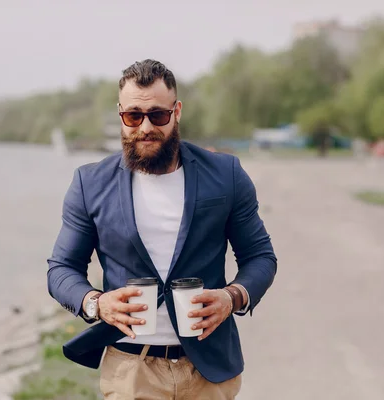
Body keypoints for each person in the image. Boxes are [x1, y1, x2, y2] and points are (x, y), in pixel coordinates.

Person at [47, 59, 277, 399]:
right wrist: (96, 303)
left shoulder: (226, 175)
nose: (145, 127)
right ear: (121, 114)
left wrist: (232, 296)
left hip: (209, 370)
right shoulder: (90, 183)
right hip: (131, 371)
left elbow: (260, 257)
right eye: (133, 116)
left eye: (158, 115)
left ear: (177, 111)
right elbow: (61, 269)